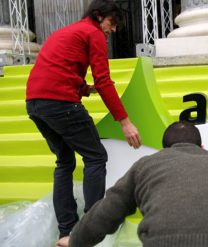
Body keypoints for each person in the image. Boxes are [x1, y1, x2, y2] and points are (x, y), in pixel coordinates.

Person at [25, 0, 142, 242]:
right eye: (112, 23)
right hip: (60, 103)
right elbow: (104, 80)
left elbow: (55, 68)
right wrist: (125, 121)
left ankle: (66, 231)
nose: (114, 30)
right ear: (99, 16)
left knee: (64, 162)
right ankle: (92, 227)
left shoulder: (66, 31)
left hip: (35, 103)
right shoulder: (93, 32)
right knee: (96, 157)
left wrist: (83, 88)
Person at [54, 121, 208, 247]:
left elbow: (106, 213)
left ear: (164, 149)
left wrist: (74, 240)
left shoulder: (148, 164)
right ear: (202, 147)